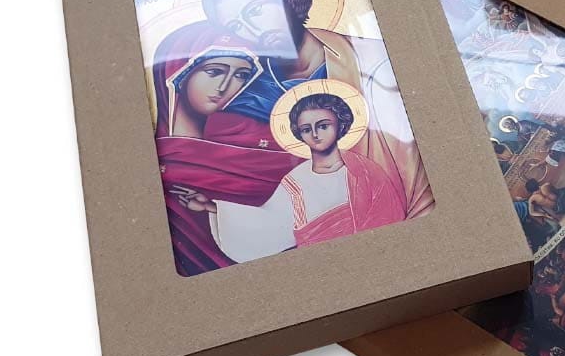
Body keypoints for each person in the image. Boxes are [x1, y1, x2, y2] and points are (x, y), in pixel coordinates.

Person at [200, 0, 432, 218]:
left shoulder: (374, 58)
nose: (253, 30)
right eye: (236, 26)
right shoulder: (248, 100)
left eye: (255, 10)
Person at [174, 92, 406, 261]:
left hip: (377, 258)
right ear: (298, 133)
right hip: (322, 268)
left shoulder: (365, 171)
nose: (315, 134)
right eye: (306, 129)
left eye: (323, 126)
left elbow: (392, 221)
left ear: (341, 125)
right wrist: (211, 207)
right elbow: (271, 224)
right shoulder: (296, 180)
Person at [150, 22, 300, 275]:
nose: (224, 86)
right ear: (179, 72)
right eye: (214, 71)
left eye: (241, 75)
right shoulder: (157, 161)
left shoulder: (258, 136)